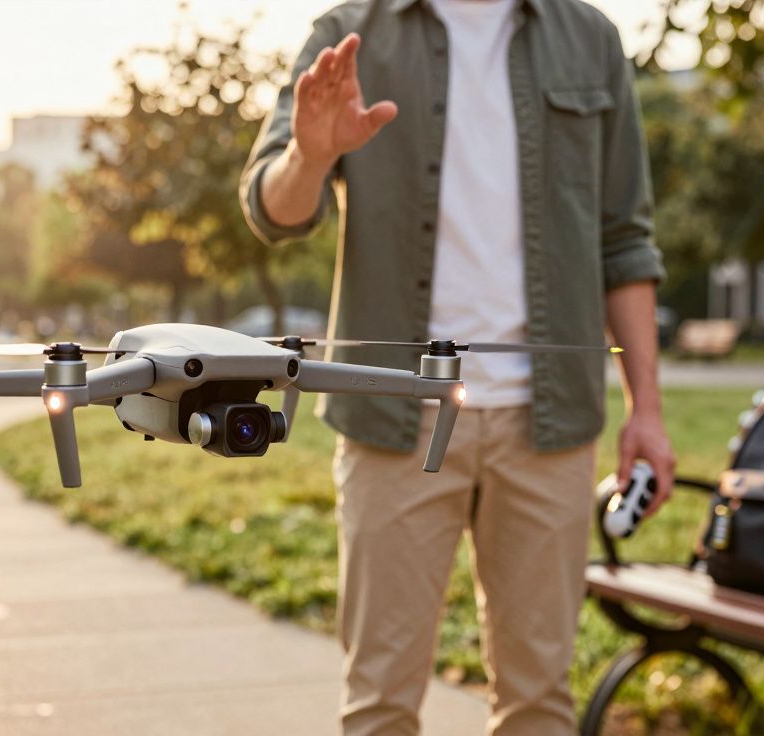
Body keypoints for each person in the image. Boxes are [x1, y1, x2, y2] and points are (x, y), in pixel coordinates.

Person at [240, 1, 675, 734]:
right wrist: (310, 156)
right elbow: (272, 209)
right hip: (393, 418)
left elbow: (625, 241)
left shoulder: (590, 38)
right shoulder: (351, 32)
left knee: (539, 703)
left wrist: (649, 410)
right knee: (380, 703)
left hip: (551, 421)